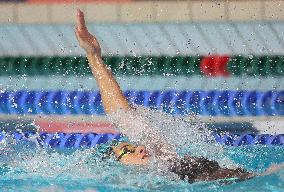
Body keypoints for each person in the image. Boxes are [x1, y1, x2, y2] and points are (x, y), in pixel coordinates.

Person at [74, 9, 283, 183]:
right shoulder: (136, 181)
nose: (138, 148)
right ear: (116, 168)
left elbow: (122, 115)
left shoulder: (165, 160)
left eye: (132, 145)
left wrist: (94, 56)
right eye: (127, 151)